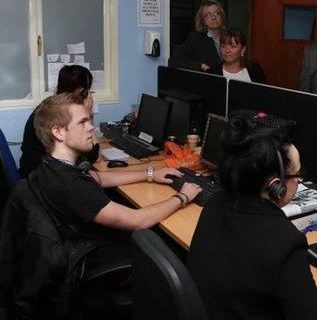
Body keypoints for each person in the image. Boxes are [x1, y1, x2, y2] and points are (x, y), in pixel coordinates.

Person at [187, 117, 317, 320]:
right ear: (276, 186)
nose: (298, 181)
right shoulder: (285, 242)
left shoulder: (216, 202)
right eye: (297, 175)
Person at [30, 92, 202, 272]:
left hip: (86, 242)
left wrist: (150, 173)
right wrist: (182, 196)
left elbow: (100, 177)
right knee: (178, 246)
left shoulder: (52, 166)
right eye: (82, 122)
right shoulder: (72, 185)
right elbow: (138, 220)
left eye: (90, 120)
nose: (91, 127)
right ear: (57, 132)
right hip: (102, 255)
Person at [19, 65, 100, 178]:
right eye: (89, 91)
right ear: (82, 92)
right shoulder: (66, 114)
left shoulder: (50, 105)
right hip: (44, 179)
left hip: (33, 173)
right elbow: (94, 156)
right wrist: (87, 112)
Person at [169, 0, 226, 72]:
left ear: (222, 17)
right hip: (207, 80)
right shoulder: (196, 38)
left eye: (217, 13)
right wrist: (200, 65)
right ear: (203, 21)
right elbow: (174, 61)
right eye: (208, 15)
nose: (213, 18)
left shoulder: (228, 36)